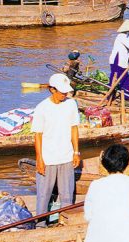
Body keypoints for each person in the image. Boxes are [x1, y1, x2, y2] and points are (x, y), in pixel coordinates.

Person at [31, 73, 80, 227]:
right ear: (52, 89)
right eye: (61, 92)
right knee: (43, 195)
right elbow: (38, 135)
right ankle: (40, 225)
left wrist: (76, 152)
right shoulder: (42, 108)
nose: (64, 94)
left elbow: (74, 129)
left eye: (66, 92)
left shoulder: (71, 104)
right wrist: (39, 158)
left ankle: (65, 224)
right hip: (48, 158)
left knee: (67, 195)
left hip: (66, 157)